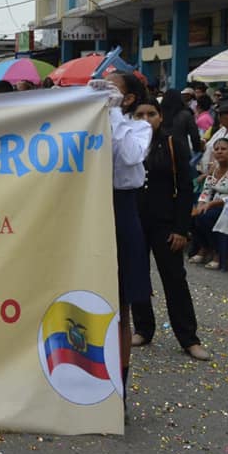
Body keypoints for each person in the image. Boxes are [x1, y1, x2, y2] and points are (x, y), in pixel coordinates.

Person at [129, 101, 210, 360]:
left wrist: (181, 229)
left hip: (166, 224)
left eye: (151, 114)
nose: (146, 119)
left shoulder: (173, 143)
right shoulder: (127, 143)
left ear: (161, 116)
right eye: (139, 114)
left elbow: (185, 187)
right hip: (134, 222)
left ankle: (189, 338)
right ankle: (143, 328)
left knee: (175, 279)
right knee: (137, 277)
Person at [92, 72, 153, 410]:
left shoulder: (138, 127)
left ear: (128, 99)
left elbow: (130, 156)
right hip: (89, 207)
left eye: (112, 88)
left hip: (122, 210)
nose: (104, 91)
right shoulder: (86, 124)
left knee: (121, 307)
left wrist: (113, 112)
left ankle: (119, 392)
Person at [191, 138, 228, 269]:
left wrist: (211, 204)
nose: (219, 151)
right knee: (192, 215)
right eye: (216, 149)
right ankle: (205, 247)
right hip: (213, 204)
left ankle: (217, 253)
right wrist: (201, 204)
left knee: (206, 217)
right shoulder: (214, 169)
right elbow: (206, 190)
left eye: (223, 149)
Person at [160, 89, 202, 156]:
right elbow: (194, 135)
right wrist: (197, 149)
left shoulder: (160, 115)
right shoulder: (186, 115)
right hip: (182, 151)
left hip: (162, 151)